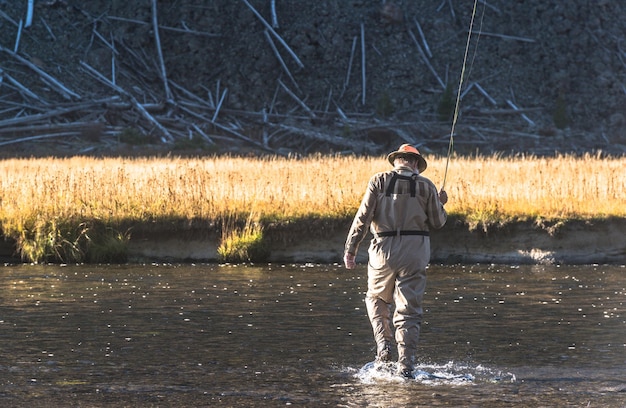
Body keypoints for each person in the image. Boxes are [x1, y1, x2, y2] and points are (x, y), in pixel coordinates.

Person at [343, 143, 448, 378]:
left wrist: (351, 249)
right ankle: (406, 366)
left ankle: (384, 345)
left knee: (376, 297)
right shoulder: (426, 185)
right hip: (415, 253)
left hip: (382, 250)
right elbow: (438, 222)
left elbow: (363, 218)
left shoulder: (378, 181)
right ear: (415, 164)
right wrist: (440, 203)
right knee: (409, 311)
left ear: (397, 160)